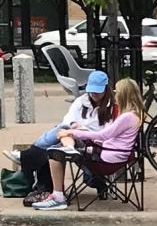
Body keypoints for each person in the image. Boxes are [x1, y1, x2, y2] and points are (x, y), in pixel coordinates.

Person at [32, 77, 144, 211]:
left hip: (105, 159)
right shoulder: (135, 115)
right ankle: (67, 149)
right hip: (110, 152)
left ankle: (58, 197)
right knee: (64, 138)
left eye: (117, 92)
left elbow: (103, 135)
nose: (115, 94)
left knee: (55, 153)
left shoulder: (127, 117)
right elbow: (110, 138)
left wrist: (75, 133)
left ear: (124, 95)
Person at [4, 70, 114, 199]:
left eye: (98, 91)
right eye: (92, 90)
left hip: (91, 140)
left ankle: (25, 157)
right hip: (72, 136)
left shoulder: (111, 106)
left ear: (106, 89)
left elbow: (107, 132)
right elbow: (69, 118)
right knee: (60, 135)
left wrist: (83, 130)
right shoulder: (81, 101)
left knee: (59, 135)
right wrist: (73, 125)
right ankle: (44, 178)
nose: (94, 94)